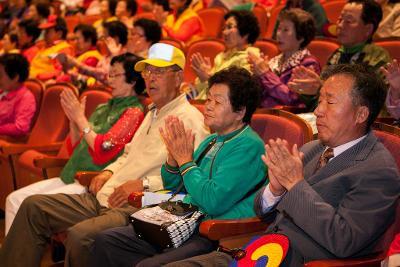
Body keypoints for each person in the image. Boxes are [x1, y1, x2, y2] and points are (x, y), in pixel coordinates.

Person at [167, 64, 400, 267]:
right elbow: (261, 209)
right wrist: (274, 191)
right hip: (259, 252)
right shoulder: (312, 149)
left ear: (361, 114)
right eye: (319, 100)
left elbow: (344, 240)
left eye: (329, 102)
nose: (318, 111)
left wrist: (295, 184)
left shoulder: (378, 171)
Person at [0, 43, 208, 267]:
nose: (150, 78)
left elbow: (191, 176)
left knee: (81, 236)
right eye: (148, 71)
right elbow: (127, 155)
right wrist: (108, 171)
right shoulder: (152, 112)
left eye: (159, 72)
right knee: (33, 207)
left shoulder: (190, 119)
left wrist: (143, 184)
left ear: (178, 78)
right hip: (106, 193)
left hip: (138, 204)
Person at [89, 66, 267, 267]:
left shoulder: (249, 146)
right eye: (208, 99)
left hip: (213, 232)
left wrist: (185, 161)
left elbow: (212, 201)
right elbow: (176, 186)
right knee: (107, 241)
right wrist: (173, 162)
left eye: (217, 102)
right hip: (183, 219)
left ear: (240, 111)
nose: (208, 106)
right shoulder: (213, 140)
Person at [4, 52, 146, 236]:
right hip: (70, 175)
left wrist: (80, 119)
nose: (109, 79)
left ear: (133, 80)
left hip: (90, 182)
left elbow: (103, 150)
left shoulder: (133, 112)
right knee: (13, 199)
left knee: (27, 204)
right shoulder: (104, 107)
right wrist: (73, 122)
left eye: (115, 74)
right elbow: (76, 147)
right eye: (109, 74)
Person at [288, 0, 391, 109]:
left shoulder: (377, 57)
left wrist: (320, 88)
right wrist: (308, 92)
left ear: (368, 29)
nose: (340, 25)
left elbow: (365, 103)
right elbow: (319, 103)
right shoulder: (337, 54)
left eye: (349, 21)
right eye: (340, 19)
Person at [248, 8, 320, 108]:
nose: (278, 34)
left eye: (285, 30)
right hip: (265, 114)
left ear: (301, 37)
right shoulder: (275, 61)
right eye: (279, 28)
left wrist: (265, 74)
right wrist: (257, 75)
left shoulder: (308, 64)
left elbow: (292, 99)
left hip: (286, 118)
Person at [192, 10, 260, 100]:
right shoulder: (221, 56)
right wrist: (203, 78)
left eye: (229, 27)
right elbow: (203, 90)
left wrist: (209, 78)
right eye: (224, 28)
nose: (224, 32)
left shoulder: (251, 57)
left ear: (245, 33)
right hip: (205, 102)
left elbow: (237, 92)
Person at [29, 15, 74, 81]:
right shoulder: (45, 46)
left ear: (59, 34)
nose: (44, 35)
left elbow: (60, 72)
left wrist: (38, 76)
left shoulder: (64, 49)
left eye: (48, 32)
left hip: (41, 83)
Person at [0, 53, 36, 138]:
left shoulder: (26, 97)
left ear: (15, 77)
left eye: (0, 76)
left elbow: (21, 127)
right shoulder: (3, 90)